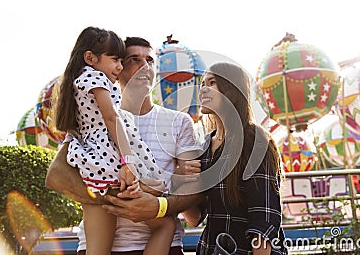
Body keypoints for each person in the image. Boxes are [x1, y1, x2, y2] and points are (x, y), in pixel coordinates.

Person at [104, 62, 288, 255]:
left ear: (231, 89)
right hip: (211, 249)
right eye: (202, 84)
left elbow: (264, 221)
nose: (203, 89)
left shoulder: (255, 142)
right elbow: (195, 217)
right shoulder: (205, 146)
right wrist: (179, 179)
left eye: (212, 82)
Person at [47, 36, 202, 254]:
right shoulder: (90, 119)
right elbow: (56, 176)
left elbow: (195, 213)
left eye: (150, 61)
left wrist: (162, 199)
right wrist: (116, 197)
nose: (144, 66)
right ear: (117, 67)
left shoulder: (179, 122)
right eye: (134, 59)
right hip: (101, 244)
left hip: (165, 246)